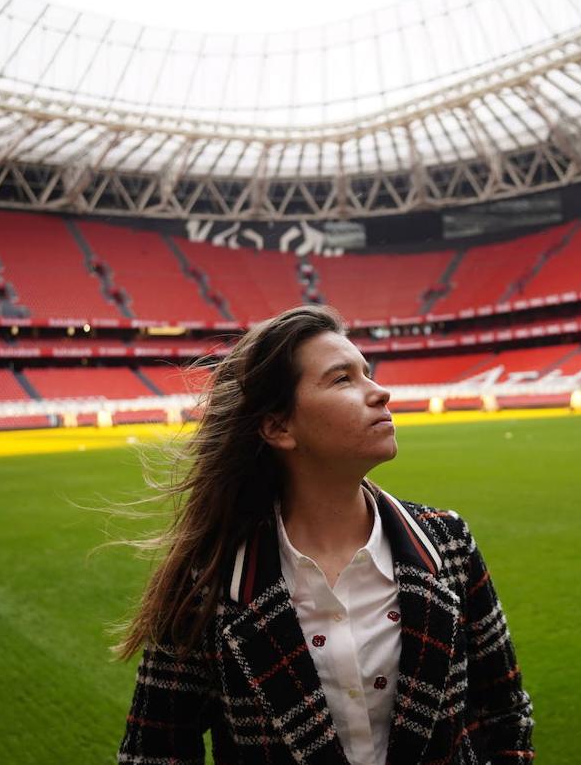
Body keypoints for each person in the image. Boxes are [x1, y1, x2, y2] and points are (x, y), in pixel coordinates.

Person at [116, 304, 533, 765]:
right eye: (342, 379)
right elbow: (154, 752)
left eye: (367, 373)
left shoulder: (449, 543)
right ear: (278, 427)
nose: (380, 392)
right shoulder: (207, 583)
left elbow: (504, 712)